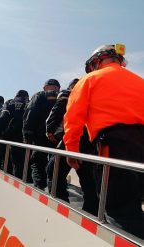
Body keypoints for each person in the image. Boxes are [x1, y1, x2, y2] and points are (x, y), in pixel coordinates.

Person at [64, 44, 144, 238]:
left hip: (113, 147)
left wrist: (72, 151)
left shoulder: (89, 80)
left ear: (97, 61)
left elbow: (73, 118)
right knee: (134, 204)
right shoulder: (140, 81)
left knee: (118, 209)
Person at [46, 78, 98, 215]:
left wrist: (50, 130)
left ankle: (59, 205)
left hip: (71, 139)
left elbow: (56, 113)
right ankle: (91, 211)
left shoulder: (66, 94)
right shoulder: (93, 95)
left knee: (53, 171)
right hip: (90, 142)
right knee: (88, 179)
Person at [23, 79, 60, 189]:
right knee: (55, 166)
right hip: (58, 138)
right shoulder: (64, 96)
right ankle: (54, 191)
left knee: (38, 164)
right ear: (58, 88)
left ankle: (39, 190)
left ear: (44, 87)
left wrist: (27, 136)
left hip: (40, 137)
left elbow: (30, 114)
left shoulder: (39, 95)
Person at [0, 90, 31, 179]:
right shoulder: (30, 103)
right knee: (22, 163)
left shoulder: (9, 103)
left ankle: (7, 181)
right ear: (27, 96)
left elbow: (1, 119)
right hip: (24, 139)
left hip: (8, 137)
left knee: (7, 162)